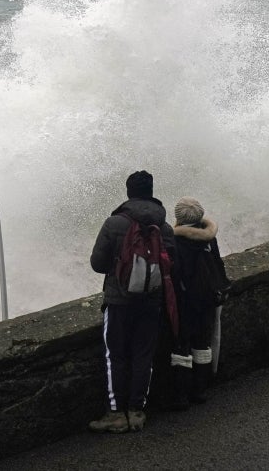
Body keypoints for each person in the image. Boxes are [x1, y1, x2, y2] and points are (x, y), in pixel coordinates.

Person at [88, 170, 176, 433]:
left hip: (119, 301)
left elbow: (97, 263)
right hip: (151, 301)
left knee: (114, 355)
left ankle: (116, 414)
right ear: (151, 191)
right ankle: (137, 411)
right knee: (143, 355)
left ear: (128, 192)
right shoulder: (164, 226)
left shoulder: (114, 223)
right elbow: (172, 263)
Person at [168, 196, 229, 409]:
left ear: (178, 217)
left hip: (186, 301)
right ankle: (200, 390)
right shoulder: (209, 238)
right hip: (208, 298)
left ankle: (179, 396)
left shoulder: (176, 240)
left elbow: (174, 273)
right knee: (202, 344)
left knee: (181, 347)